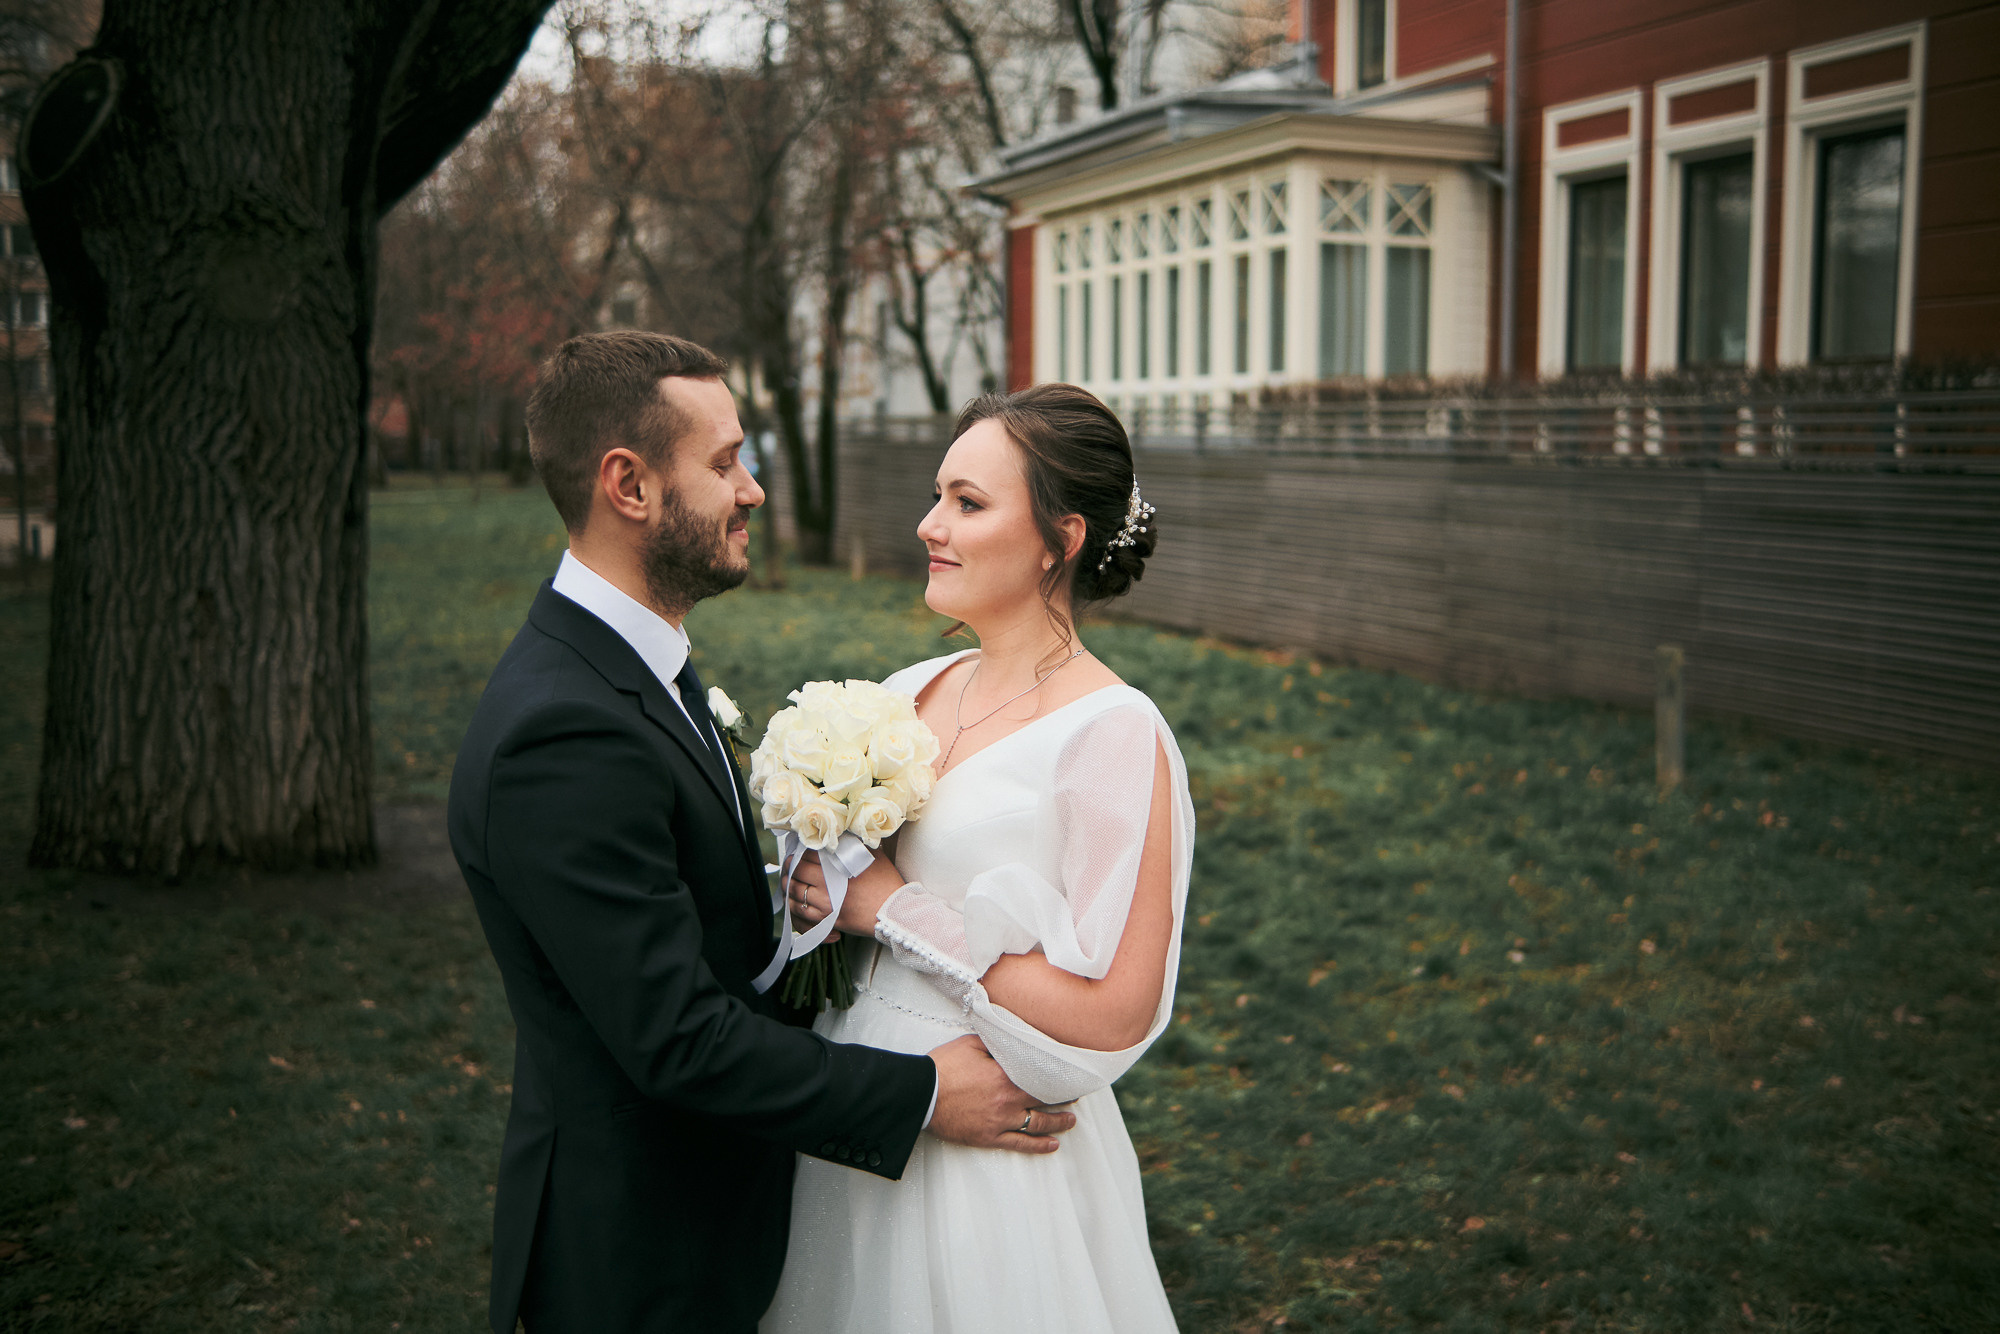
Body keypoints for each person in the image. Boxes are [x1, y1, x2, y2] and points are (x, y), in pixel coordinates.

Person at [447, 332, 1074, 1334]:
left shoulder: (632, 664)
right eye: (724, 460)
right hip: (641, 1261)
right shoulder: (559, 731)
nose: (753, 490)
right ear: (629, 484)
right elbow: (676, 1037)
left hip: (711, 1218)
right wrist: (915, 1092)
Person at [764, 382, 1192, 1333]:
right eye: (937, 496)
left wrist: (887, 908)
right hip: (857, 1116)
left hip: (991, 1161)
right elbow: (838, 898)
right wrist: (812, 887)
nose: (930, 525)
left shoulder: (1114, 734)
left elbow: (1116, 1015)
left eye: (968, 502)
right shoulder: (913, 688)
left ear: (1062, 538)